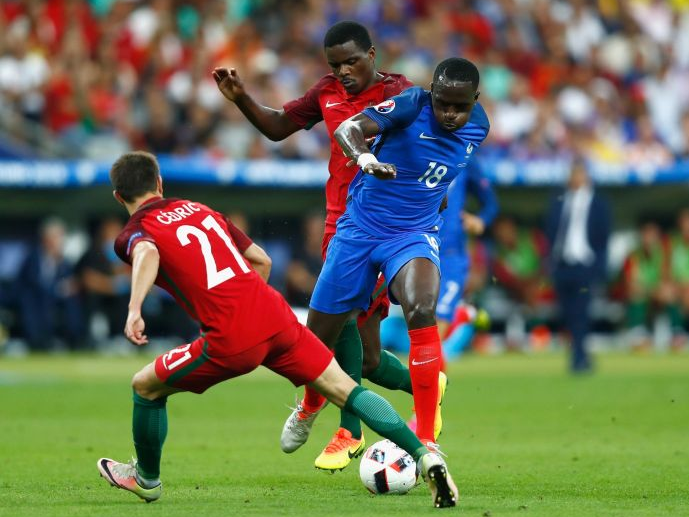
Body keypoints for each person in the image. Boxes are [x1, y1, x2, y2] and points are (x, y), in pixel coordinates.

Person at [96, 151, 457, 509]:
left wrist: (134, 308)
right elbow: (262, 260)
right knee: (346, 389)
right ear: (159, 183)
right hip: (276, 315)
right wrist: (251, 309)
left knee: (145, 386)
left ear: (118, 197)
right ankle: (425, 457)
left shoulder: (135, 231)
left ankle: (146, 480)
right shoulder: (199, 209)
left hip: (230, 337)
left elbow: (147, 252)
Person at [213, 21, 443, 472]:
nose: (343, 72)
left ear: (371, 55)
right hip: (340, 219)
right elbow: (279, 127)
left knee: (345, 319)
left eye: (351, 62)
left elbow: (431, 152)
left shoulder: (401, 95)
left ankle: (344, 427)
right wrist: (241, 98)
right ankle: (428, 385)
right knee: (370, 358)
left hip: (389, 225)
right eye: (335, 65)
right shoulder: (326, 92)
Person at [293, 57, 488, 456]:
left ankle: (427, 442)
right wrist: (366, 160)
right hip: (360, 230)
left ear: (476, 100)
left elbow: (439, 171)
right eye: (443, 104)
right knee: (316, 343)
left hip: (413, 235)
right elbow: (348, 129)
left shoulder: (479, 126)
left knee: (422, 309)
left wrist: (436, 198)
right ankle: (310, 405)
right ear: (432, 94)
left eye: (460, 106)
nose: (450, 114)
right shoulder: (411, 104)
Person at [545, 159, 610, 372]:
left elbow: (602, 238)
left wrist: (599, 267)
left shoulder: (598, 203)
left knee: (581, 313)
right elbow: (551, 232)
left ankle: (580, 358)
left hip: (585, 265)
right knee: (566, 314)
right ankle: (579, 355)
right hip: (562, 265)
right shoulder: (559, 200)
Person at [435, 159, 498, 362]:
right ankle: (461, 314)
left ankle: (429, 372)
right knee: (422, 317)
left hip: (451, 252)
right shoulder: (416, 148)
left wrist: (480, 220)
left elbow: (491, 203)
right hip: (416, 245)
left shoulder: (465, 156)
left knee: (439, 318)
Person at [16, 217, 84, 351]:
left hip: (56, 297)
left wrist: (69, 287)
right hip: (35, 296)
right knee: (35, 300)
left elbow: (68, 280)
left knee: (72, 301)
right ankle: (39, 341)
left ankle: (75, 340)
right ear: (46, 239)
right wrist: (57, 289)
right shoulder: (32, 258)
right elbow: (32, 283)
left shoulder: (63, 262)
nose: (61, 241)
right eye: (57, 237)